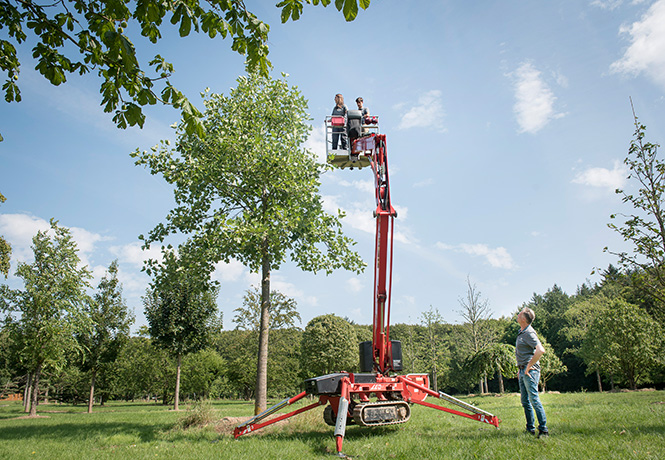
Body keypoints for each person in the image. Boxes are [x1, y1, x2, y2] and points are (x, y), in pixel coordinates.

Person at [515, 307, 549, 438]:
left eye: (520, 313)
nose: (517, 315)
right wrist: (520, 369)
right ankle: (530, 429)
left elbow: (540, 350)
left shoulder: (529, 332)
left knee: (534, 399)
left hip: (530, 371)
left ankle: (543, 430)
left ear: (524, 318)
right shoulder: (521, 332)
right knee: (525, 401)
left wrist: (529, 366)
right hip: (523, 370)